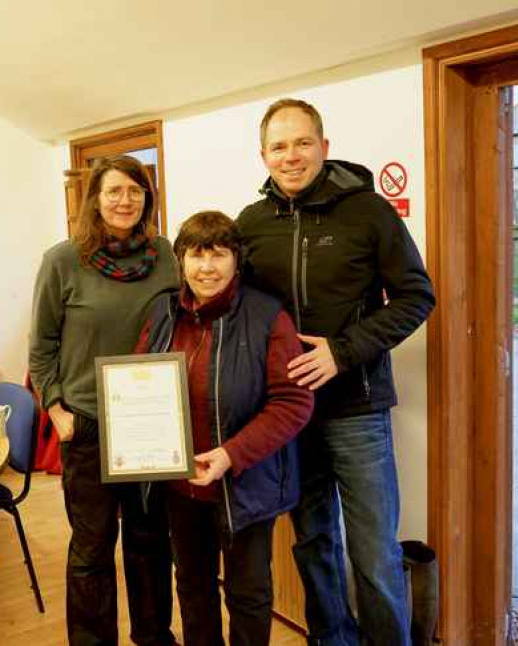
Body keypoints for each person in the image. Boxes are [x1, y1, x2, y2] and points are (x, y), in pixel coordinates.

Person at [237, 98, 436, 645]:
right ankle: (332, 639)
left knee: (373, 552)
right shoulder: (251, 224)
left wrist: (342, 352)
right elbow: (236, 306)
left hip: (358, 410)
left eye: (303, 143)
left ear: (324, 147)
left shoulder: (369, 211)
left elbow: (417, 296)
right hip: (288, 417)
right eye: (279, 147)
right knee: (313, 542)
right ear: (263, 156)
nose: (291, 156)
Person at [135, 211, 314, 646]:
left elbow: (293, 402)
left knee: (248, 594)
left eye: (219, 254)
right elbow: (139, 383)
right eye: (196, 255)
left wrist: (230, 454)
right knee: (193, 587)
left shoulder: (268, 315)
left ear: (237, 259)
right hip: (182, 485)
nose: (207, 267)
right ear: (180, 259)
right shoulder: (163, 311)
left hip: (246, 486)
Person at [30, 155, 179, 645]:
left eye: (135, 191)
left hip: (152, 424)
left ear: (147, 198)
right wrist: (57, 411)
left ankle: (154, 635)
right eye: (114, 190)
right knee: (92, 549)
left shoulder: (166, 255)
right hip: (89, 425)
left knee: (150, 541)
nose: (124, 200)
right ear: (94, 198)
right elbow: (42, 346)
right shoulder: (63, 260)